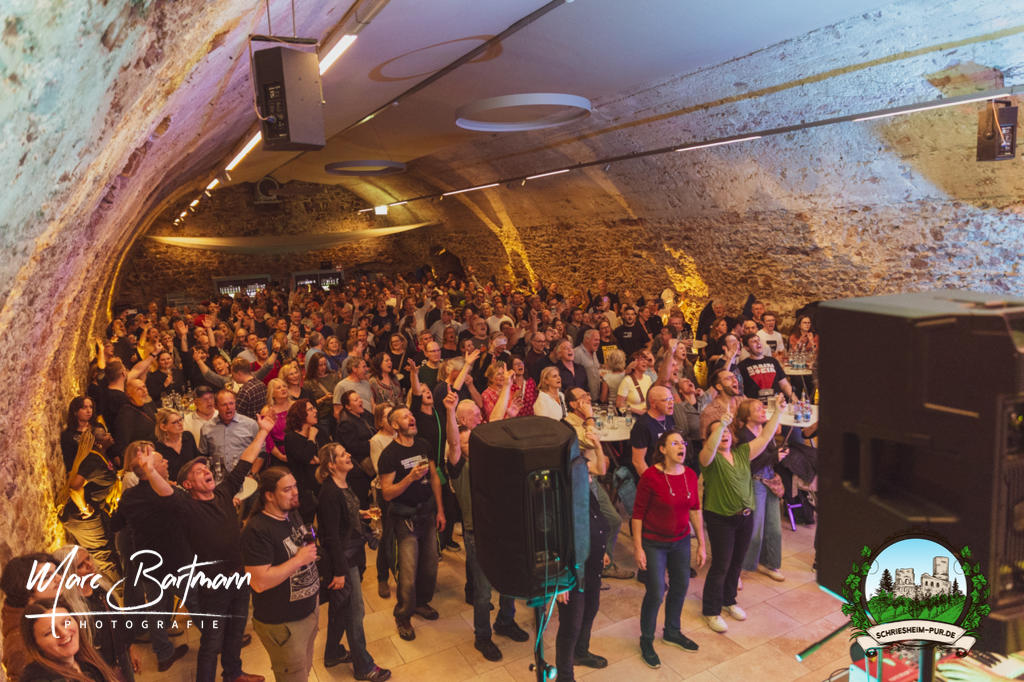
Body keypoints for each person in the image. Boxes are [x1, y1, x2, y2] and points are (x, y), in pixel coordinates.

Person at [138, 418, 271, 682]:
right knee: (212, 641)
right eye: (198, 471)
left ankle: (233, 673)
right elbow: (165, 492)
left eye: (205, 468)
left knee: (235, 632)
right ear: (187, 485)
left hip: (238, 577)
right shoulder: (186, 506)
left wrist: (264, 431)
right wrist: (150, 471)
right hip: (213, 586)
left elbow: (245, 462)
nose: (206, 471)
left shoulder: (223, 492)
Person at [448, 396, 530, 660]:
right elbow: (453, 443)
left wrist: (510, 416)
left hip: (502, 531)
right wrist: (450, 411)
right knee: (483, 592)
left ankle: (506, 621)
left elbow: (500, 438)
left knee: (509, 582)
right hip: (478, 535)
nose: (472, 445)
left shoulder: (490, 463)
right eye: (467, 442)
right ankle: (482, 637)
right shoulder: (460, 468)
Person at [699, 394, 785, 633]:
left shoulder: (741, 453)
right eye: (719, 432)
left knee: (737, 563)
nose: (725, 434)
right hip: (720, 518)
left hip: (745, 516)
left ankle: (729, 601)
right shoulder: (709, 459)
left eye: (727, 431)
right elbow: (708, 450)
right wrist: (721, 425)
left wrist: (778, 411)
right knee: (721, 565)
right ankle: (711, 610)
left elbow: (765, 437)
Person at [316, 443, 391, 681]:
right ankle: (363, 666)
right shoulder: (329, 493)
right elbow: (331, 536)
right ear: (331, 465)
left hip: (352, 554)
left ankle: (333, 653)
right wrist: (340, 572)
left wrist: (362, 514)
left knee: (341, 608)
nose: (349, 455)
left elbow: (343, 515)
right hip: (343, 561)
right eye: (342, 454)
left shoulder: (343, 484)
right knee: (355, 612)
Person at [631, 431, 705, 668]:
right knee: (655, 592)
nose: (681, 446)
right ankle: (646, 639)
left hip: (681, 541)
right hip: (654, 543)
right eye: (675, 443)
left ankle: (672, 631)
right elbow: (637, 514)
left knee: (681, 586)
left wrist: (701, 544)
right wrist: (638, 548)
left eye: (683, 443)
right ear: (662, 449)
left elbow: (695, 509)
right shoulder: (651, 476)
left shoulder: (690, 475)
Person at [241, 468, 320, 682]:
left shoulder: (290, 513)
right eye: (287, 489)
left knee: (303, 669)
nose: (295, 492)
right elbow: (259, 582)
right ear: (269, 495)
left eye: (295, 486)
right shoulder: (257, 530)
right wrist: (299, 560)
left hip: (308, 611)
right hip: (284, 625)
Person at [377, 406, 446, 641]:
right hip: (404, 518)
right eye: (405, 417)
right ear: (395, 425)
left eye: (411, 415)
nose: (412, 418)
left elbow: (434, 477)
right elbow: (387, 493)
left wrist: (440, 510)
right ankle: (403, 614)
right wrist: (410, 478)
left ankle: (421, 603)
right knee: (407, 571)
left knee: (429, 565)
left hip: (427, 514)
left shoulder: (424, 445)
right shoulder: (389, 455)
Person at [563, 387, 632, 580]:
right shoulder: (568, 425)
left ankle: (603, 562)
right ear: (573, 404)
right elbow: (589, 441)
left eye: (587, 395)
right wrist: (590, 417)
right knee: (595, 525)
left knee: (614, 520)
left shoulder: (583, 422)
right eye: (582, 397)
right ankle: (593, 567)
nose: (588, 398)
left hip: (593, 477)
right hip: (582, 482)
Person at [736, 399, 787, 582]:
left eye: (762, 407)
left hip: (769, 480)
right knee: (754, 530)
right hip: (755, 481)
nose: (763, 411)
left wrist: (778, 455)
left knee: (774, 528)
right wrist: (775, 456)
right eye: (758, 409)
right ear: (747, 416)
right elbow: (749, 464)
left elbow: (768, 456)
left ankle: (769, 563)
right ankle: (739, 568)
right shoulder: (743, 436)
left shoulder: (766, 430)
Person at [19, 602, 121, 682]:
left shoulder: (89, 662)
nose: (63, 633)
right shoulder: (39, 679)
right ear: (35, 644)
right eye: (50, 632)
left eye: (66, 622)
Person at [200, 390, 262, 475]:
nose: (228, 407)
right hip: (218, 477)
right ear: (216, 406)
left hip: (245, 476)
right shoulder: (206, 428)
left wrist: (252, 474)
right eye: (224, 405)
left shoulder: (251, 425)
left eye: (231, 403)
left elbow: (261, 453)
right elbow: (203, 456)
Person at [283, 399, 325, 524]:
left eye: (314, 408)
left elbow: (328, 453)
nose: (315, 411)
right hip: (304, 490)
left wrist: (318, 459)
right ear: (300, 414)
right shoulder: (291, 437)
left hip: (321, 484)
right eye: (310, 409)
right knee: (307, 524)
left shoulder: (319, 431)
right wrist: (311, 438)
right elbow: (306, 457)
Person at [154, 407, 200, 481]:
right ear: (163, 427)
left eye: (180, 420)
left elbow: (197, 460)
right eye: (175, 422)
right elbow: (159, 475)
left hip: (193, 480)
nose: (180, 424)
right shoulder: (158, 447)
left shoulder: (188, 437)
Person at [261, 378, 292, 467]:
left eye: (284, 386)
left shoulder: (295, 405)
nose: (283, 389)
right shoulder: (267, 411)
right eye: (278, 388)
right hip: (279, 453)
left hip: (298, 448)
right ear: (272, 393)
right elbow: (267, 438)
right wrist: (280, 456)